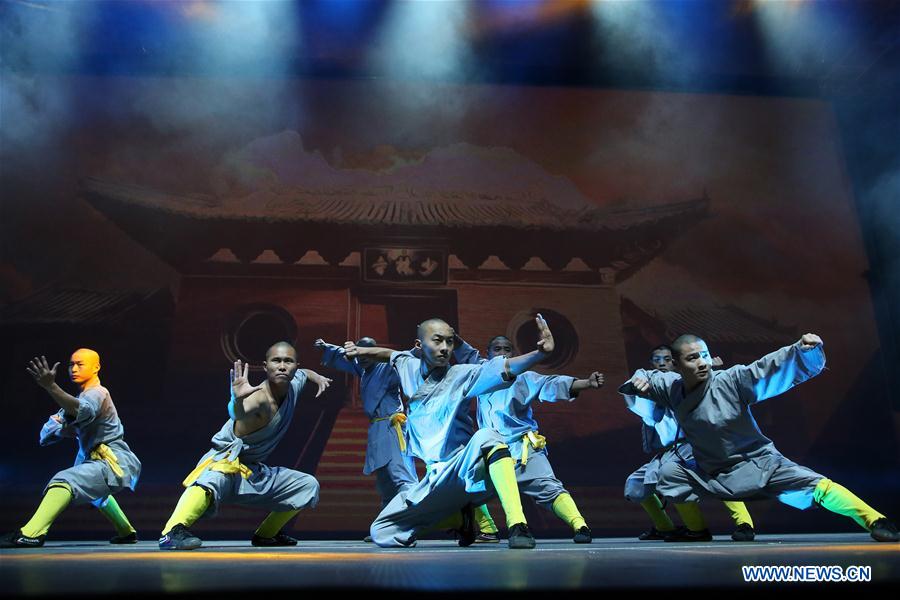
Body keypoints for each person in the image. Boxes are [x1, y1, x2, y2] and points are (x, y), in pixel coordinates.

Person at [619, 333, 899, 542]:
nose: (703, 363)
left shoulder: (731, 380)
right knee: (670, 472)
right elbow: (646, 377)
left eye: (705, 355)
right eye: (693, 358)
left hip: (756, 462)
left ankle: (875, 520)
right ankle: (697, 531)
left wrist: (799, 351)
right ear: (677, 365)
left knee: (814, 485)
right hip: (710, 467)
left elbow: (765, 368)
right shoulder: (671, 386)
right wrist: (637, 381)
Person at [353, 315, 556, 549]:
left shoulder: (462, 374)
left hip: (466, 470)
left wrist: (540, 354)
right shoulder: (407, 364)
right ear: (419, 346)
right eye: (438, 341)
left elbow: (506, 367)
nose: (445, 348)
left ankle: (517, 525)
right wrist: (360, 351)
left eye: (450, 342)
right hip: (436, 477)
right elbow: (388, 354)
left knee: (488, 436)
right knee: (381, 531)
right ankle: (460, 518)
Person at [158, 342, 332, 550]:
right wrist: (237, 400)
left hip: (253, 471)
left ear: (295, 366)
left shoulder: (294, 384)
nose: (283, 366)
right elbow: (239, 414)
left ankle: (266, 535)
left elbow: (306, 373)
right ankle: (171, 532)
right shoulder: (258, 399)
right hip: (226, 463)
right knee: (211, 479)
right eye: (276, 361)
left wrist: (318, 377)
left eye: (288, 361)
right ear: (266, 366)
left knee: (307, 485)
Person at [454, 334, 603, 543]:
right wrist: (451, 335)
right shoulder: (482, 372)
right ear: (488, 354)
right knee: (465, 484)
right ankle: (488, 530)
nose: (502, 353)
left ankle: (580, 525)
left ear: (513, 354)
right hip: (492, 451)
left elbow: (550, 384)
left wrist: (586, 383)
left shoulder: (523, 377)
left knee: (549, 488)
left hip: (522, 448)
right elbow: (466, 353)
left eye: (507, 349)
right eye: (497, 349)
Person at [1, 349, 141, 548]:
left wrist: (51, 387)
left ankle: (30, 533)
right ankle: (126, 532)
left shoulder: (98, 393)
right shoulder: (80, 398)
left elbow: (81, 410)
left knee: (64, 480)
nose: (74, 369)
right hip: (96, 460)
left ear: (96, 367)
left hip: (113, 462)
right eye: (71, 364)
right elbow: (47, 434)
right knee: (97, 494)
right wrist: (63, 424)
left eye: (80, 364)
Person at [623, 345, 755, 542]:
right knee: (636, 485)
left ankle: (743, 524)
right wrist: (638, 383)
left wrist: (712, 372)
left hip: (699, 445)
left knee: (719, 476)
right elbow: (642, 407)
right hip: (674, 450)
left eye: (667, 359)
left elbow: (716, 395)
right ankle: (665, 527)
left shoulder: (690, 384)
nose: (662, 364)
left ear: (676, 363)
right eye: (657, 360)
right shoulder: (651, 388)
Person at [314, 337, 418, 540]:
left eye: (365, 352)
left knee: (402, 478)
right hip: (377, 429)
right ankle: (388, 527)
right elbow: (345, 356)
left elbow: (408, 359)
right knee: (385, 482)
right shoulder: (363, 368)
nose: (360, 357)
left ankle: (410, 525)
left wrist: (418, 350)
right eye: (359, 353)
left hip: (392, 426)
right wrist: (328, 346)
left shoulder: (388, 367)